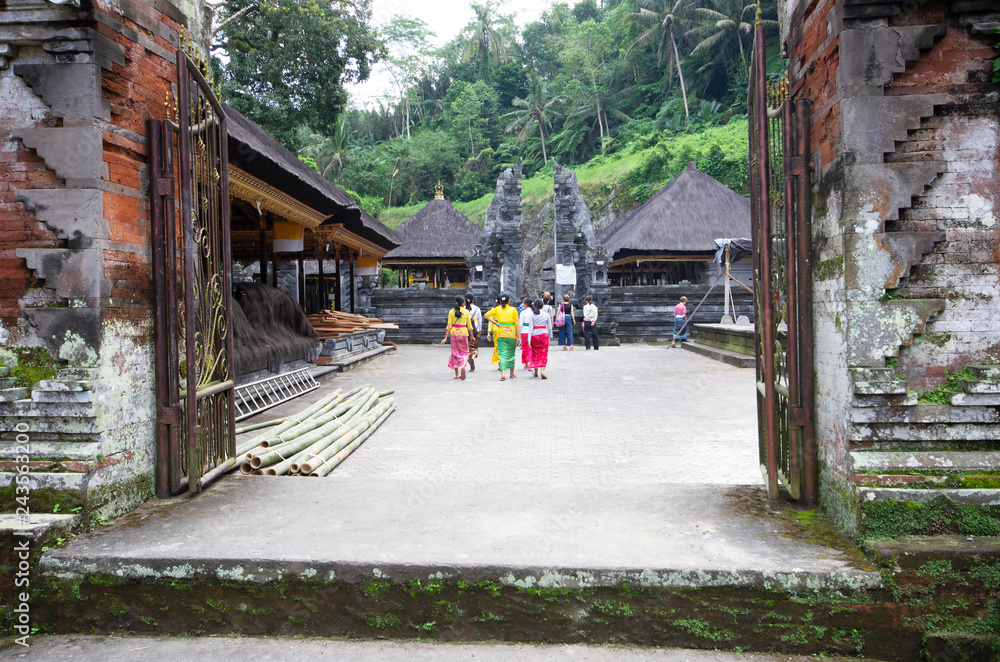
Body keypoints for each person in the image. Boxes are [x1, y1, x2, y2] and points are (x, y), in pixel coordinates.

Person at [484, 294, 520, 381]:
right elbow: (517, 324)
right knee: (511, 353)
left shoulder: (497, 309)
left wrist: (496, 323)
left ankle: (503, 374)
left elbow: (486, 315)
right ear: (509, 301)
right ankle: (511, 373)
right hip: (512, 333)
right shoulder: (513, 310)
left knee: (502, 353)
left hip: (501, 333)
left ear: (500, 301)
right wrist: (519, 337)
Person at [441, 294, 474, 379]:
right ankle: (463, 365)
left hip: (454, 334)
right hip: (463, 334)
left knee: (455, 353)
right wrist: (472, 336)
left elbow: (449, 325)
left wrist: (445, 337)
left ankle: (456, 374)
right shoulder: (466, 312)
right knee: (465, 352)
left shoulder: (451, 312)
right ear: (462, 303)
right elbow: (470, 326)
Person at [527, 298, 552, 379]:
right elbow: (549, 327)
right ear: (542, 306)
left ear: (534, 306)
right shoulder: (546, 314)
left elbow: (530, 328)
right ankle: (542, 371)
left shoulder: (532, 315)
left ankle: (536, 372)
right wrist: (548, 336)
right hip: (543, 335)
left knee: (535, 354)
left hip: (535, 335)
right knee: (543, 354)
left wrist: (529, 340)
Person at [464, 293, 483, 372]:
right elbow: (480, 320)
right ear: (473, 299)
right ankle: (472, 358)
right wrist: (480, 330)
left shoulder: (463, 309)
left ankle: (470, 363)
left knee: (467, 348)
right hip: (475, 329)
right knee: (474, 347)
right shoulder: (477, 309)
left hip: (465, 330)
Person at [519, 300, 534, 370]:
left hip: (524, 331)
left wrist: (519, 334)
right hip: (532, 331)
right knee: (530, 348)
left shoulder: (523, 313)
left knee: (525, 348)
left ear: (525, 304)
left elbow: (521, 324)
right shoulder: (533, 312)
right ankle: (529, 362)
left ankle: (527, 363)